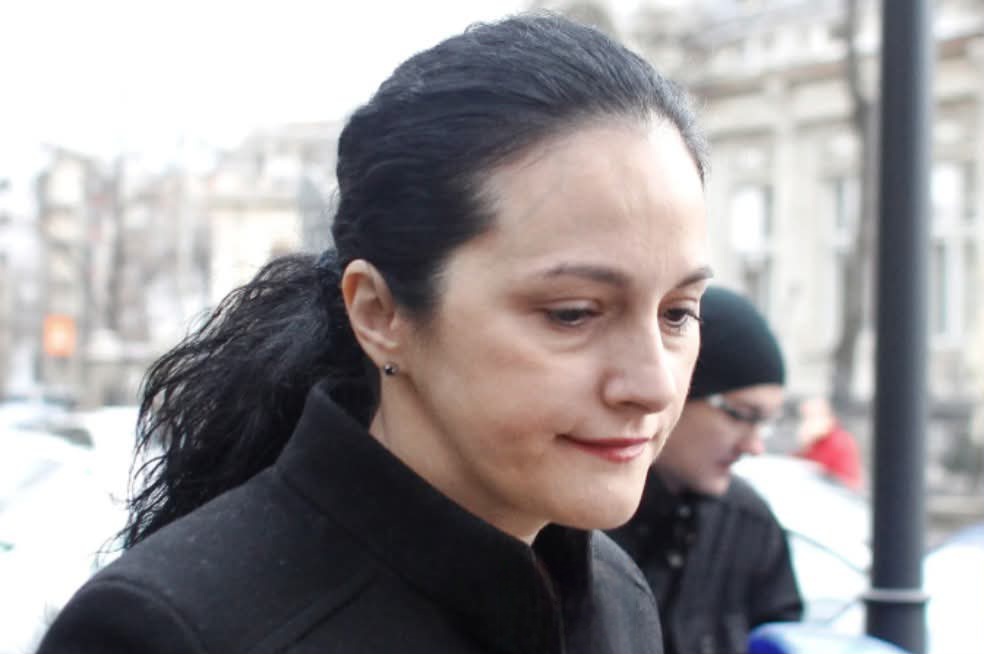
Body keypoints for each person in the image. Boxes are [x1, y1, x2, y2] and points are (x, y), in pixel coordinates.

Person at [36, 14, 715, 654]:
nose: (653, 385)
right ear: (380, 313)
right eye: (573, 313)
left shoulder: (614, 597)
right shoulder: (170, 629)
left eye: (677, 313)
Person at [609, 286, 803, 654]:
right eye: (741, 415)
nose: (754, 446)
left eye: (764, 424)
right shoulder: (581, 518)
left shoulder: (750, 525)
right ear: (676, 393)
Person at [795, 396, 864, 490]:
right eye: (805, 418)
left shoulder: (840, 441)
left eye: (813, 416)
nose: (807, 422)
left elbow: (848, 481)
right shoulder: (809, 442)